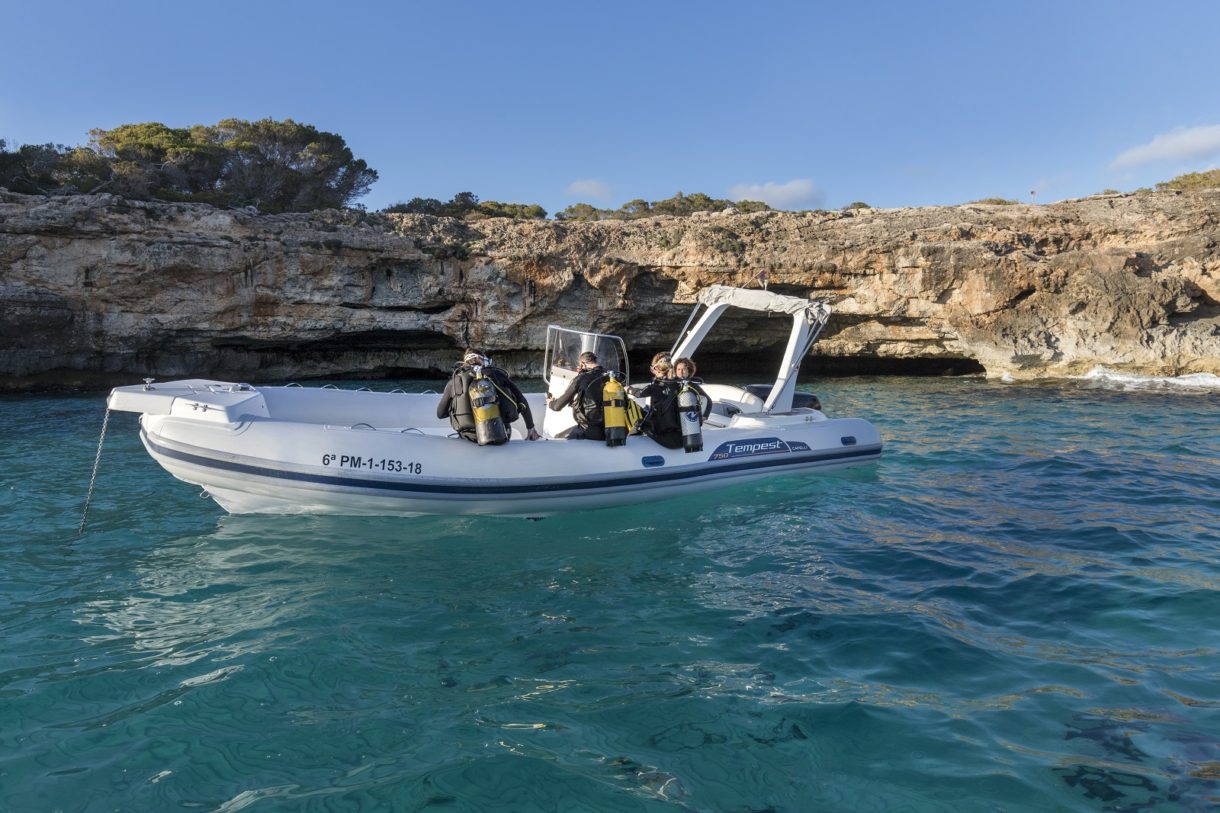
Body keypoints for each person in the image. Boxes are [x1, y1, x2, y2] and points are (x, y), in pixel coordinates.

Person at [437, 349, 541, 442]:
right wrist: (530, 428)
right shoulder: (498, 375)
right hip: (501, 434)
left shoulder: (455, 381)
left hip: (468, 438)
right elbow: (522, 401)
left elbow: (440, 414)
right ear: (483, 360)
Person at [635, 354, 711, 449]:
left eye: (684, 369)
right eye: (678, 369)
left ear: (689, 371)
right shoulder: (673, 384)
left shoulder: (681, 386)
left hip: (672, 439)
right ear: (674, 370)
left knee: (641, 422)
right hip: (682, 435)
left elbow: (708, 401)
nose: (681, 372)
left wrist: (703, 416)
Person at [546, 350, 608, 440]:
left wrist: (550, 403)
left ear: (583, 364)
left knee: (557, 438)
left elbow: (557, 407)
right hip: (610, 429)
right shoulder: (610, 376)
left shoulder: (582, 378)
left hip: (588, 430)